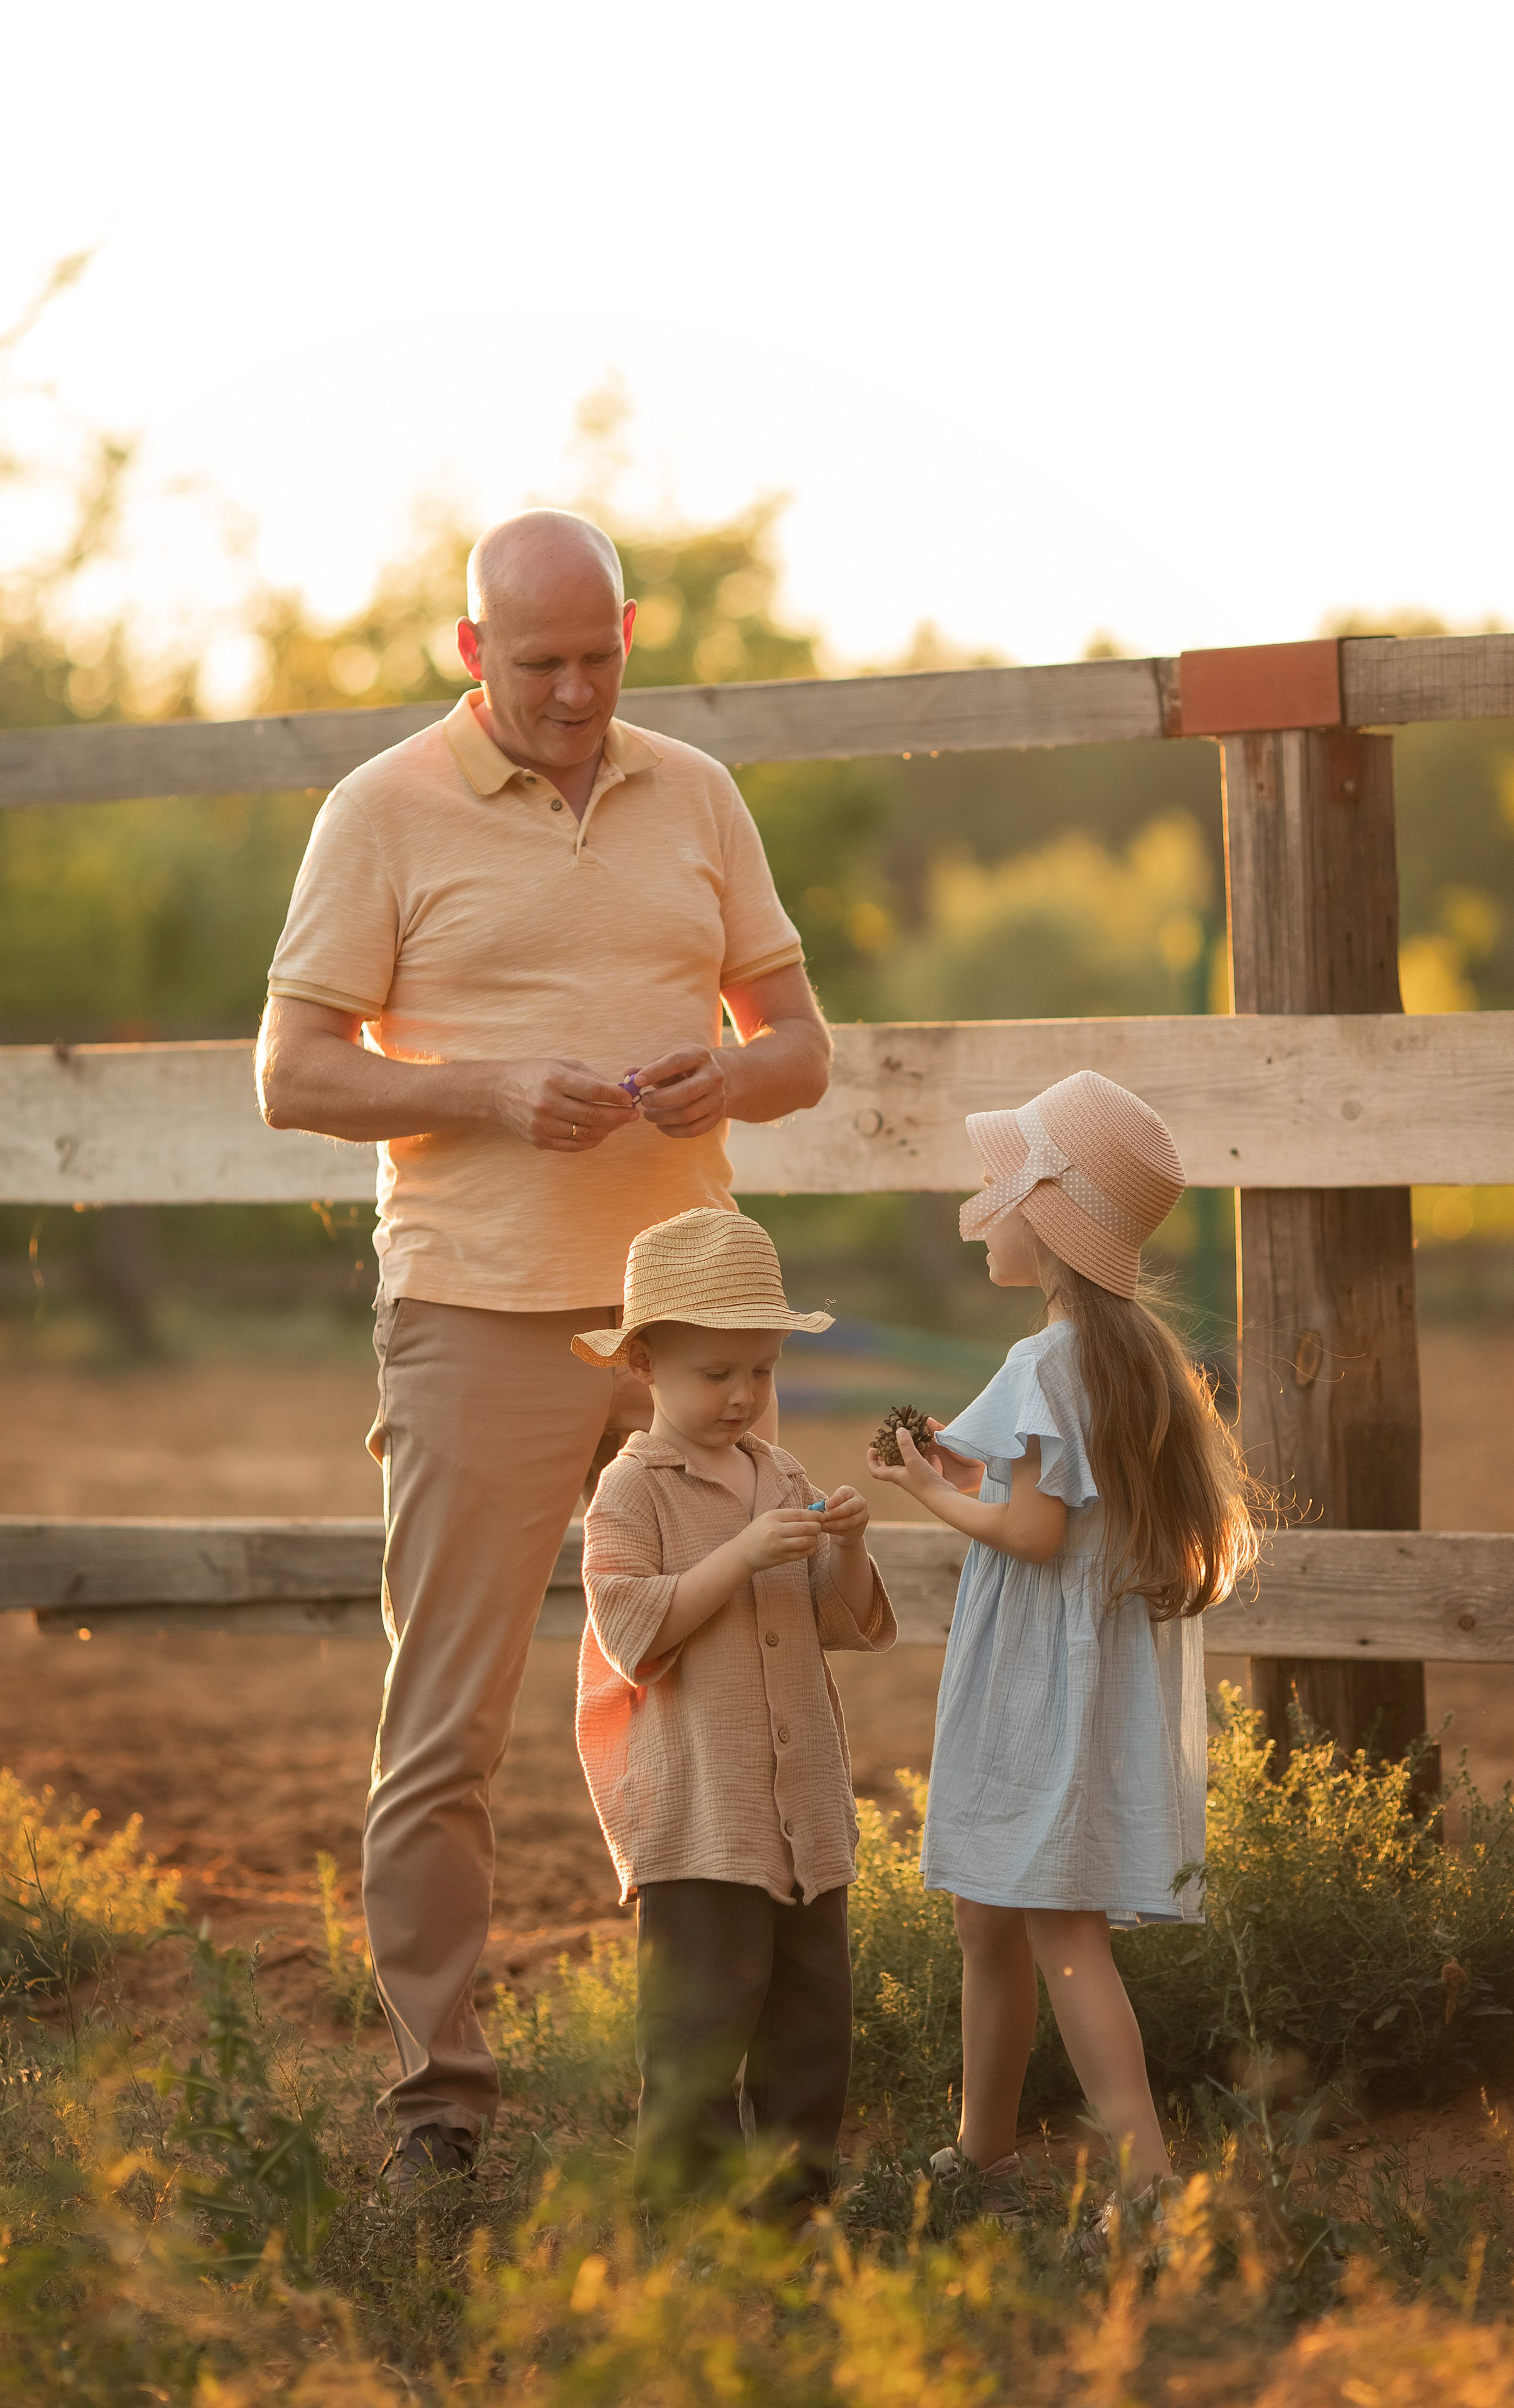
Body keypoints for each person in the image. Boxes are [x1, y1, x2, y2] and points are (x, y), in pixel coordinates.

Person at [254, 510, 831, 2184]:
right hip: (475, 1315)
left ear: (631, 634)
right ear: (471, 655)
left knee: (720, 1708)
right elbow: (293, 1074)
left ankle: (709, 2100)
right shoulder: (381, 815)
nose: (576, 693)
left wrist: (738, 1072)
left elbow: (799, 1042)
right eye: (540, 664)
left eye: (601, 658)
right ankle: (441, 2098)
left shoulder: (697, 796)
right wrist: (489, 1093)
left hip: (688, 1330)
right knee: (450, 1721)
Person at [868, 1070, 1258, 2224]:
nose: (985, 1205)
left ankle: (1146, 2184)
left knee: (1058, 1928)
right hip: (1077, 1678)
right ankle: (980, 2151)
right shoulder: (1123, 1353)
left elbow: (1035, 1533)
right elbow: (1066, 1507)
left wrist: (917, 1491)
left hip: (1036, 1684)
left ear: (1047, 1213)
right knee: (990, 1914)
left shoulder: (1046, 1361)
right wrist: (961, 1466)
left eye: (1002, 1186)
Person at [572, 1208, 893, 2215]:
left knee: (811, 2020)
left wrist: (842, 1544)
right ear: (644, 1363)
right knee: (701, 2019)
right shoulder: (630, 1493)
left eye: (761, 1370)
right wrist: (743, 1555)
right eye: (717, 1374)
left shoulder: (780, 1472)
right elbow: (633, 1631)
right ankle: (692, 2215)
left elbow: (839, 1621)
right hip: (699, 1812)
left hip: (802, 1808)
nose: (744, 1395)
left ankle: (794, 2209)